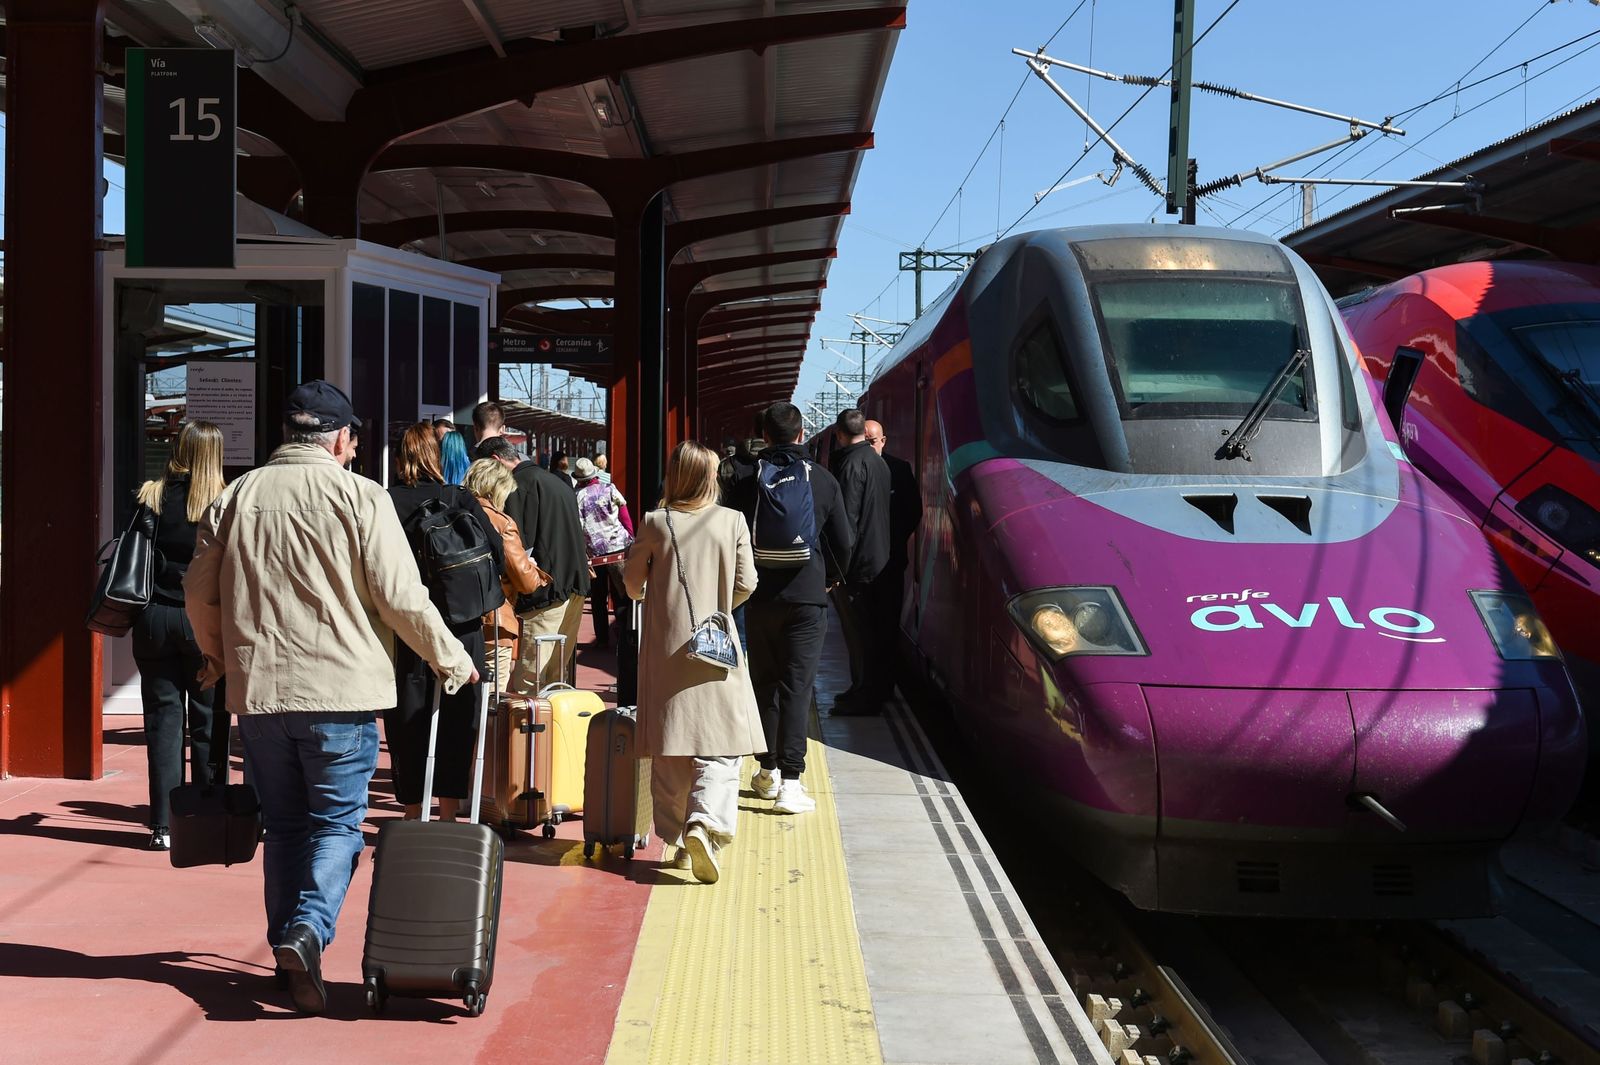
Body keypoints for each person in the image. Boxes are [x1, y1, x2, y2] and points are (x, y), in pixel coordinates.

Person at [185, 380, 476, 1016]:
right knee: (338, 826)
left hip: (260, 695)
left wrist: (217, 658)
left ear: (288, 434)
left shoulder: (236, 497)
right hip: (341, 694)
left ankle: (286, 956)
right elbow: (402, 598)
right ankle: (308, 931)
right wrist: (450, 659)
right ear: (341, 439)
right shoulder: (360, 497)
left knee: (285, 827)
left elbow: (199, 594)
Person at [623, 441, 764, 882]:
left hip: (667, 649)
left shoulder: (654, 522)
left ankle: (678, 839)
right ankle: (704, 822)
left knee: (672, 746)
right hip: (716, 647)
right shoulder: (733, 521)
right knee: (720, 748)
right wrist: (719, 610)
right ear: (712, 477)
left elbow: (631, 585)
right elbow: (747, 582)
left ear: (675, 476)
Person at [727, 402, 853, 815]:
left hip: (760, 599)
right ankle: (792, 784)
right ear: (802, 434)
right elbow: (843, 541)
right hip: (807, 598)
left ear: (764, 436)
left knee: (764, 684)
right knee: (797, 688)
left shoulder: (747, 479)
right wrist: (830, 577)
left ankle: (765, 772)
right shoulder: (823, 480)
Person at [385, 423, 502, 822]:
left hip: (409, 629)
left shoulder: (387, 502)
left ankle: (413, 809)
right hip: (462, 626)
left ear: (401, 460)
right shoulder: (460, 497)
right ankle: (450, 811)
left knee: (407, 720)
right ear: (437, 457)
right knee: (459, 716)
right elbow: (496, 553)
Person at [132, 420, 230, 851]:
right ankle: (208, 812)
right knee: (209, 719)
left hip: (153, 617)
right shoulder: (223, 502)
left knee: (163, 722)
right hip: (201, 620)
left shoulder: (151, 495)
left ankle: (164, 825)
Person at [502, 438, 591, 693]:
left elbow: (520, 546)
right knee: (556, 679)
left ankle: (530, 735)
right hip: (574, 586)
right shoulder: (558, 481)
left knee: (531, 684)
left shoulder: (520, 486)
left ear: (497, 462)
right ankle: (557, 734)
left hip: (544, 593)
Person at [827, 408, 891, 715]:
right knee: (872, 632)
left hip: (858, 564)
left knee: (859, 633)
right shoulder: (878, 463)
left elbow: (846, 522)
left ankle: (864, 696)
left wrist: (837, 569)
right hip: (878, 558)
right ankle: (865, 689)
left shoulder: (851, 465)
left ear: (839, 434)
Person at [465, 458, 548, 693]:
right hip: (495, 620)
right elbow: (526, 580)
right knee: (492, 698)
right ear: (498, 488)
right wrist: (532, 567)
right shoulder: (502, 523)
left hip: (459, 618)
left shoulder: (454, 511)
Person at [855, 420, 921, 710]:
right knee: (864, 630)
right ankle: (866, 686)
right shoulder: (855, 469)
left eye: (874, 441)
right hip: (862, 567)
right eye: (865, 442)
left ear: (884, 440)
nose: (871, 447)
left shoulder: (900, 469)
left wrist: (892, 543)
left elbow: (913, 512)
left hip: (891, 564)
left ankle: (883, 686)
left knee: (887, 627)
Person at [573, 456, 634, 645]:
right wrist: (630, 535)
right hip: (617, 546)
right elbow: (624, 514)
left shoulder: (577, 496)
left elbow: (578, 526)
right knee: (621, 593)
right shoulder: (609, 488)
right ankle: (624, 631)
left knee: (598, 597)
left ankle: (601, 637)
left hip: (594, 551)